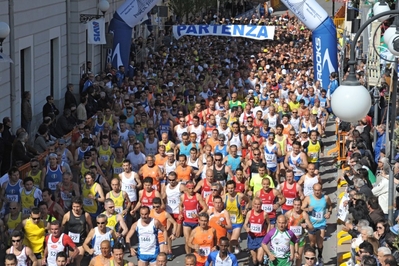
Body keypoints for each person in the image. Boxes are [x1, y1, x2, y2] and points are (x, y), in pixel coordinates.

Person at [301, 183, 333, 264]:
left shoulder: (325, 198)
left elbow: (330, 206)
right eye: (315, 190)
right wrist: (308, 209)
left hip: (321, 223)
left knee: (320, 242)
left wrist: (329, 213)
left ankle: (320, 256)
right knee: (312, 242)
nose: (317, 192)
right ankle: (312, 257)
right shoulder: (308, 198)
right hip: (311, 224)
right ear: (313, 190)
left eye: (318, 190)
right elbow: (302, 208)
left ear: (321, 190)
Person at [61, 196, 93, 265]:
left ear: (81, 205)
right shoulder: (67, 215)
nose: (76, 209)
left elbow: (91, 227)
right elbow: (62, 226)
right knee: (70, 261)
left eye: (77, 206)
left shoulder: (86, 215)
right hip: (70, 243)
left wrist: (89, 239)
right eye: (74, 206)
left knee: (78, 261)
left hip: (81, 242)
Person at [179, 180, 208, 254]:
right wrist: (180, 213)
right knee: (187, 240)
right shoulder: (183, 196)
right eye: (189, 188)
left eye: (192, 188)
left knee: (196, 240)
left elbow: (205, 207)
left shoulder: (197, 196)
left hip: (195, 222)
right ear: (186, 188)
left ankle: (196, 255)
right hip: (186, 221)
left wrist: (198, 215)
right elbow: (180, 205)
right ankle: (188, 255)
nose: (191, 190)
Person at [285, 198, 314, 266]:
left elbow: (311, 227)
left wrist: (306, 226)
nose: (297, 207)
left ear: (301, 205)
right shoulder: (288, 213)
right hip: (290, 239)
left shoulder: (304, 214)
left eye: (298, 205)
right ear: (293, 205)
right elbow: (282, 224)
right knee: (291, 257)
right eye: (295, 205)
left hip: (300, 239)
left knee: (299, 257)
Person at [243, 197, 270, 266]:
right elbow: (245, 224)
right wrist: (246, 228)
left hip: (261, 238)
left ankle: (264, 260)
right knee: (254, 260)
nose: (257, 206)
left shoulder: (264, 214)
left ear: (261, 205)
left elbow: (269, 224)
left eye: (259, 204)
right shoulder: (249, 213)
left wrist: (267, 235)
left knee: (259, 259)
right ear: (253, 205)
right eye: (255, 204)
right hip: (251, 238)